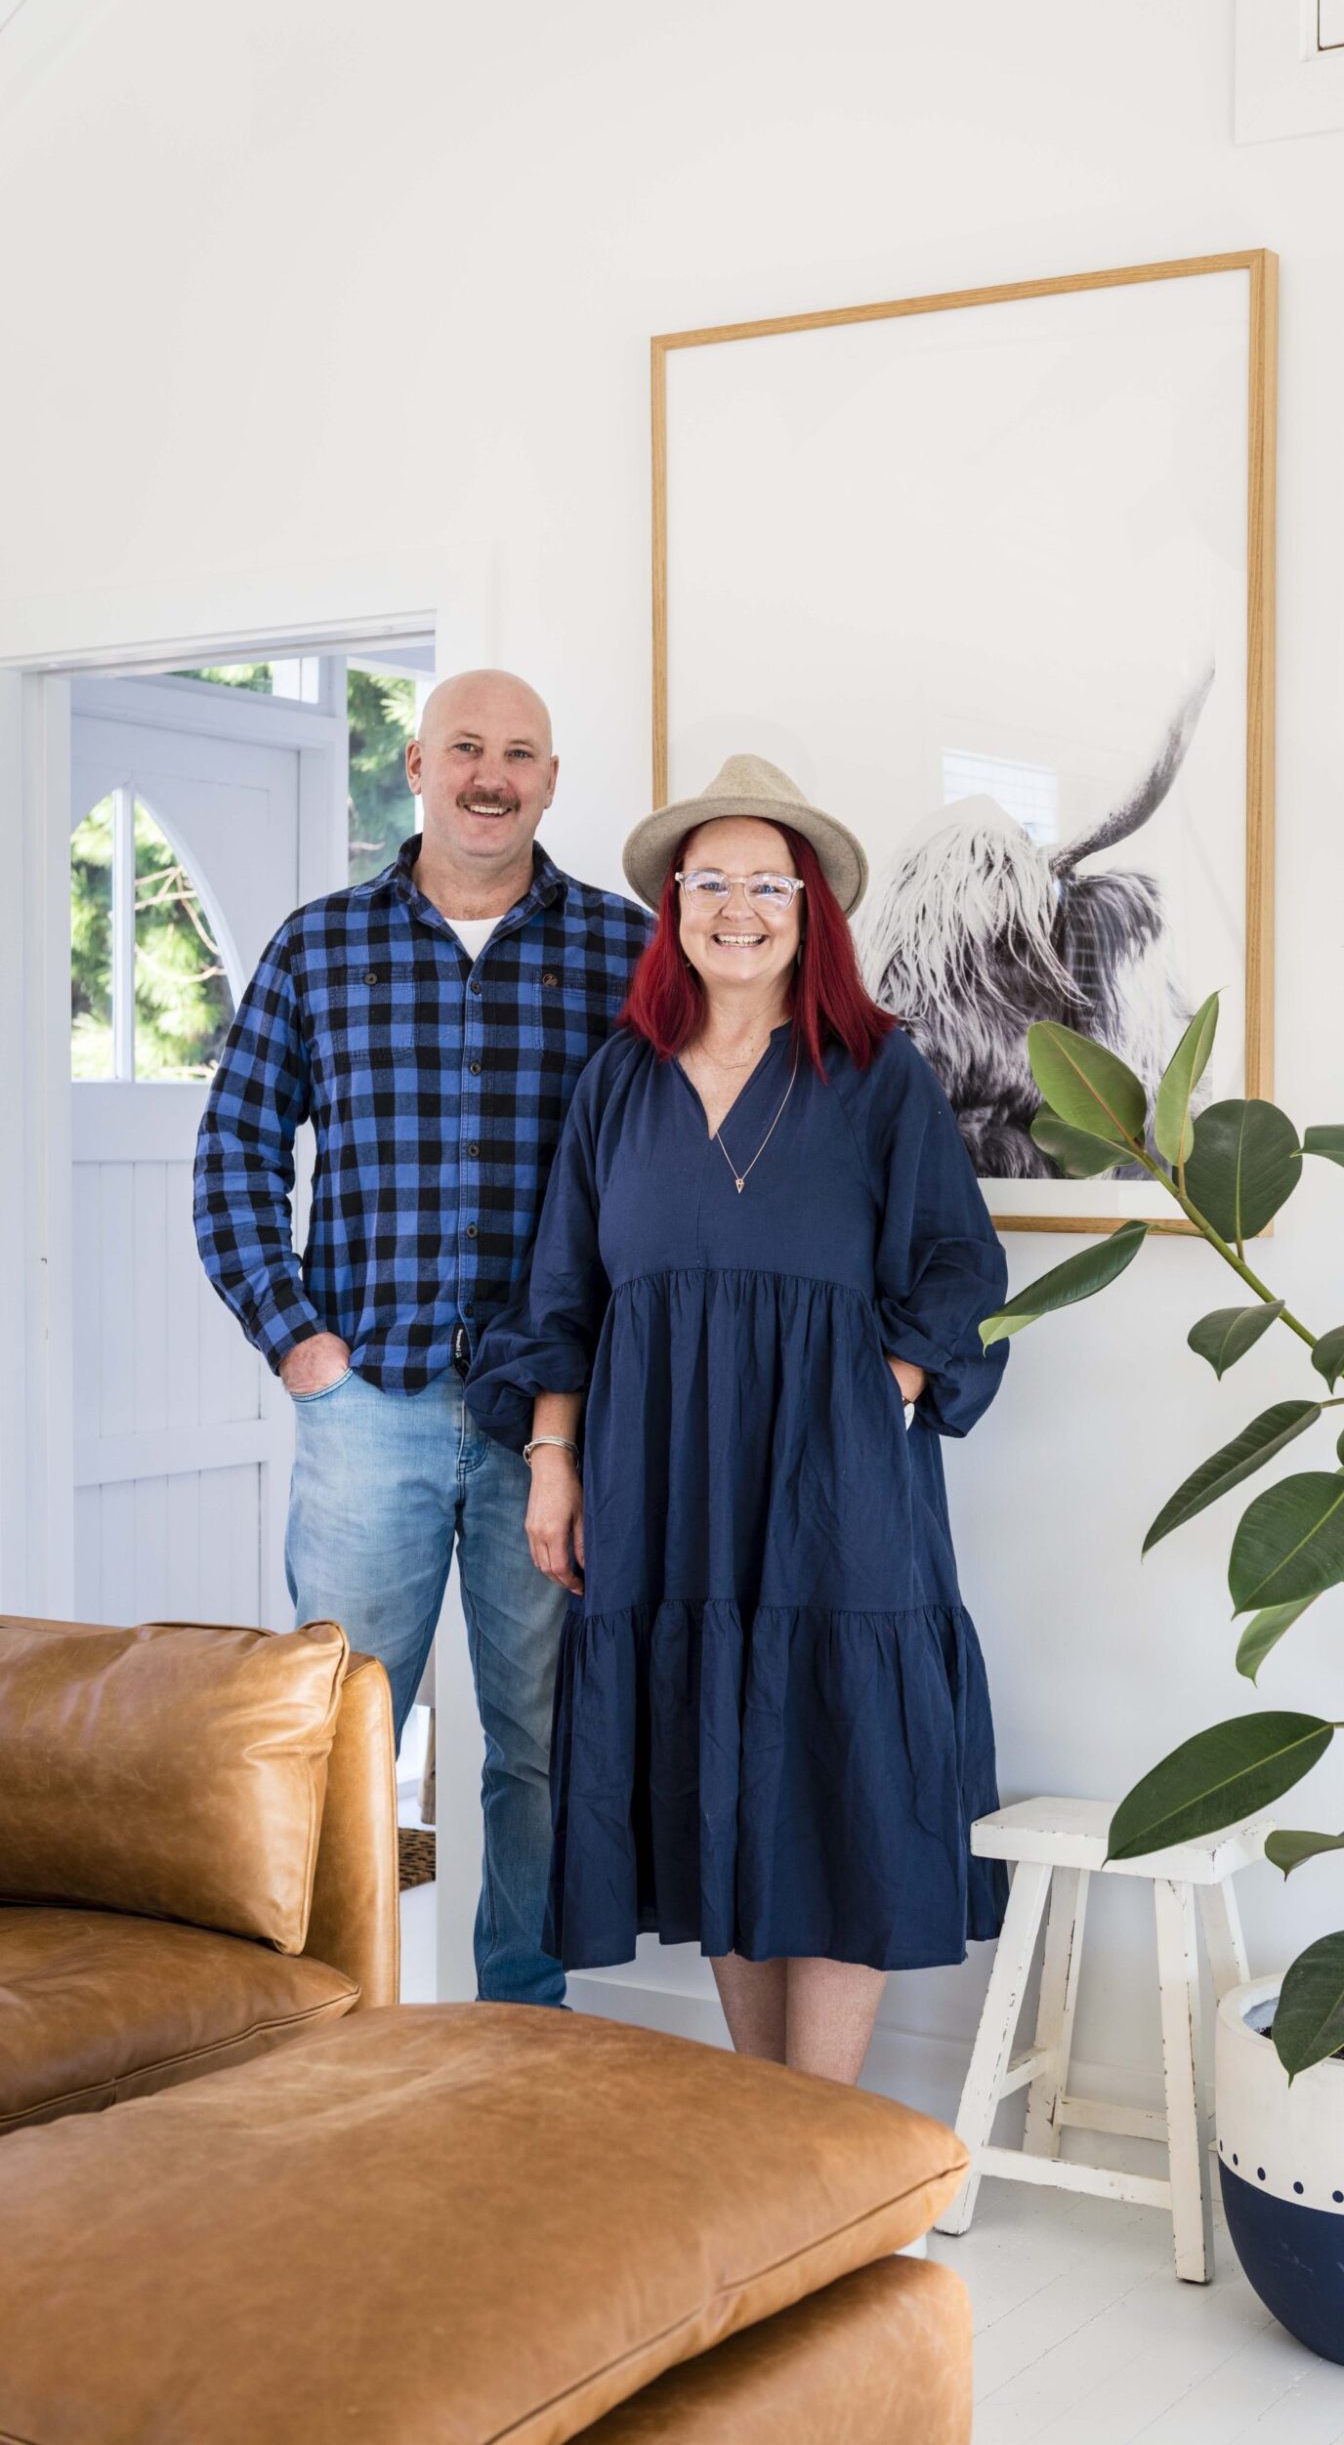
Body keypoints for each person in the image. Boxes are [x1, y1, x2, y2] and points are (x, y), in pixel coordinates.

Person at [466, 753, 1009, 2081]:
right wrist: (553, 1458)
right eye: (711, 882)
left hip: (835, 1490)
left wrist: (872, 1391)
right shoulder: (621, 1082)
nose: (740, 908)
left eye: (771, 883)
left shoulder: (880, 1076)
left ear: (811, 908)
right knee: (713, 1766)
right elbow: (563, 1291)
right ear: (676, 908)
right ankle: (768, 2131)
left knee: (836, 1778)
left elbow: (958, 1267)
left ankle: (818, 2132)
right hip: (663, 1478)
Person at [194, 669, 651, 2007]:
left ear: (553, 780)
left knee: (537, 1746)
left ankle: (522, 2025)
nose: (490, 775)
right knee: (337, 1745)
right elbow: (232, 1154)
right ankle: (332, 2022)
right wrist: (299, 1348)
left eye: (519, 753)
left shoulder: (624, 955)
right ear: (416, 764)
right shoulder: (320, 947)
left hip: (549, 1426)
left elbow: (677, 1157)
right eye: (467, 748)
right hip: (368, 1412)